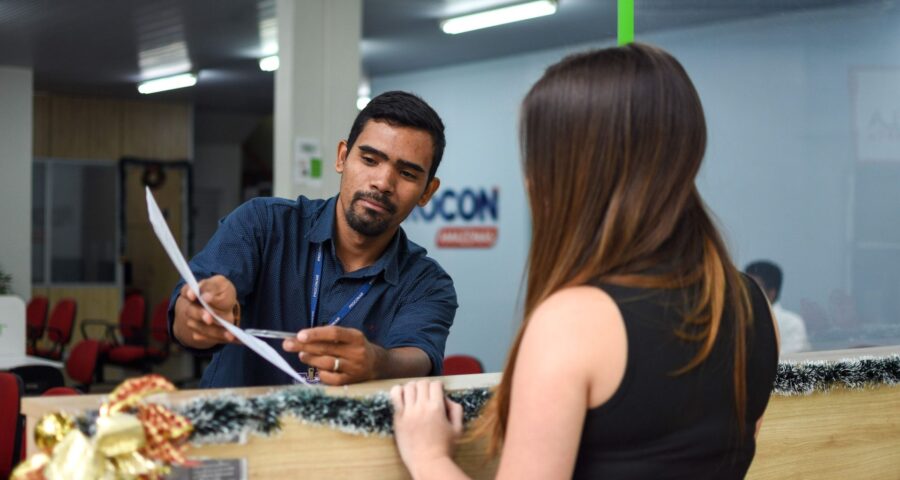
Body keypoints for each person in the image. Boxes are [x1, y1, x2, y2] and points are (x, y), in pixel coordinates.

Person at [390, 43, 779, 479]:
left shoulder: (574, 322)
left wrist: (429, 457)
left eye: (539, 158)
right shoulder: (751, 304)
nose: (530, 178)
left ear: (577, 170)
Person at [169, 91, 458, 388]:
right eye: (370, 160)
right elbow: (184, 321)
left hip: (344, 434)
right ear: (342, 157)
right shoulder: (262, 223)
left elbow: (418, 358)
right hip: (235, 430)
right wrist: (198, 315)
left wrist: (376, 362)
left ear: (427, 191)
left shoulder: (427, 283)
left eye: (408, 174)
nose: (383, 183)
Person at [746, 260, 810, 354]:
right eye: (744, 287)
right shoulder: (737, 321)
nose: (746, 293)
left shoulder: (791, 323)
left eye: (752, 288)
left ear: (771, 293)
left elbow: (788, 362)